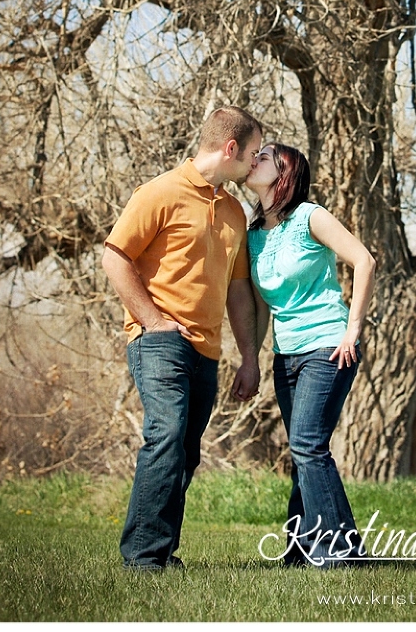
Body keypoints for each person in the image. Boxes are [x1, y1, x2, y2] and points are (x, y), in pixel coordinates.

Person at [102, 105, 263, 571]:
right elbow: (115, 257)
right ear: (229, 149)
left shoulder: (234, 211)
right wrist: (152, 320)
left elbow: (237, 291)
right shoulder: (160, 192)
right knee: (166, 434)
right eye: (253, 154)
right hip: (159, 338)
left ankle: (162, 551)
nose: (255, 163)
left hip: (207, 350)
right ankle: (143, 559)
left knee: (185, 451)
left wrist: (248, 357)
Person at [244, 143, 376, 567]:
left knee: (307, 445)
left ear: (284, 173)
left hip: (328, 346)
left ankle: (340, 552)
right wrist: (252, 359)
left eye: (264, 157)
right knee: (305, 450)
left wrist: (352, 331)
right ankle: (300, 552)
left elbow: (364, 260)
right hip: (287, 355)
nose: (254, 161)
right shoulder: (253, 236)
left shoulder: (309, 216)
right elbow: (263, 306)